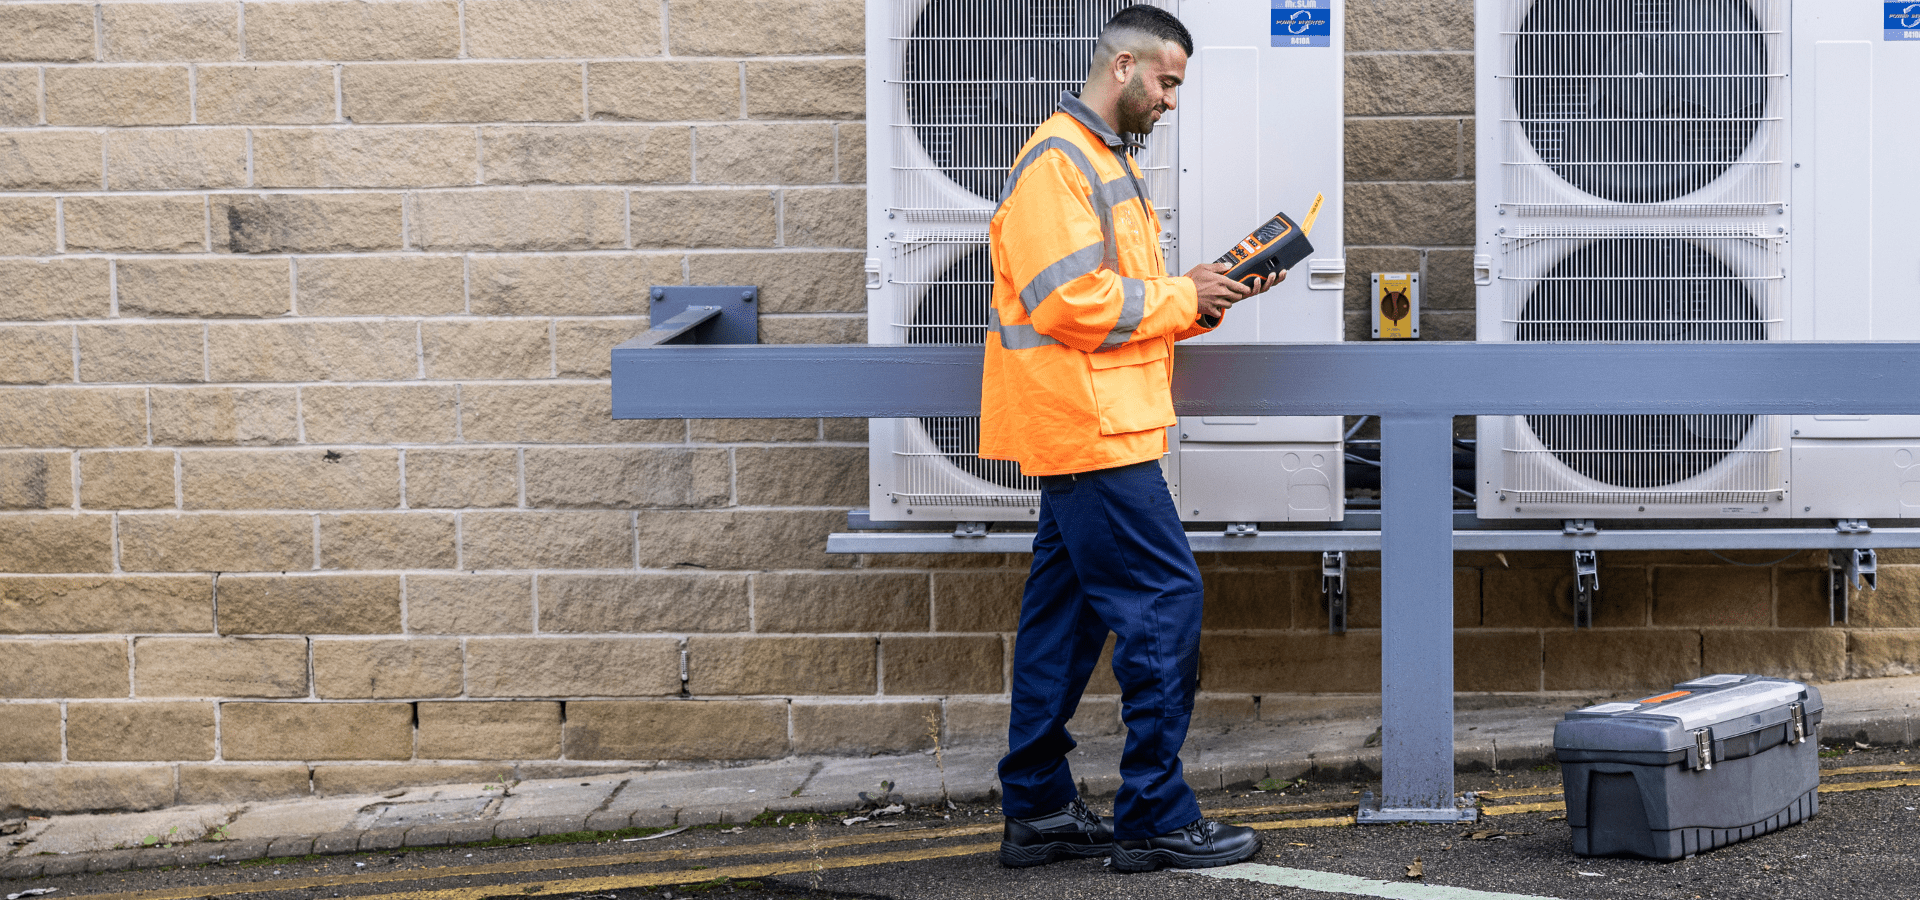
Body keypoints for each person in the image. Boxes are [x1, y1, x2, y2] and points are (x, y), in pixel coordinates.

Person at [979, 4, 1281, 874]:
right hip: (1094, 432)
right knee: (1165, 605)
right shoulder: (1058, 162)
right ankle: (1153, 816)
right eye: (1168, 81)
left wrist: (1203, 296)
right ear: (1122, 67)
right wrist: (1183, 296)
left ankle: (1037, 812)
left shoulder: (1096, 161)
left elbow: (1118, 302)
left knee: (1062, 626)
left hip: (1091, 425)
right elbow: (1070, 305)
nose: (1172, 101)